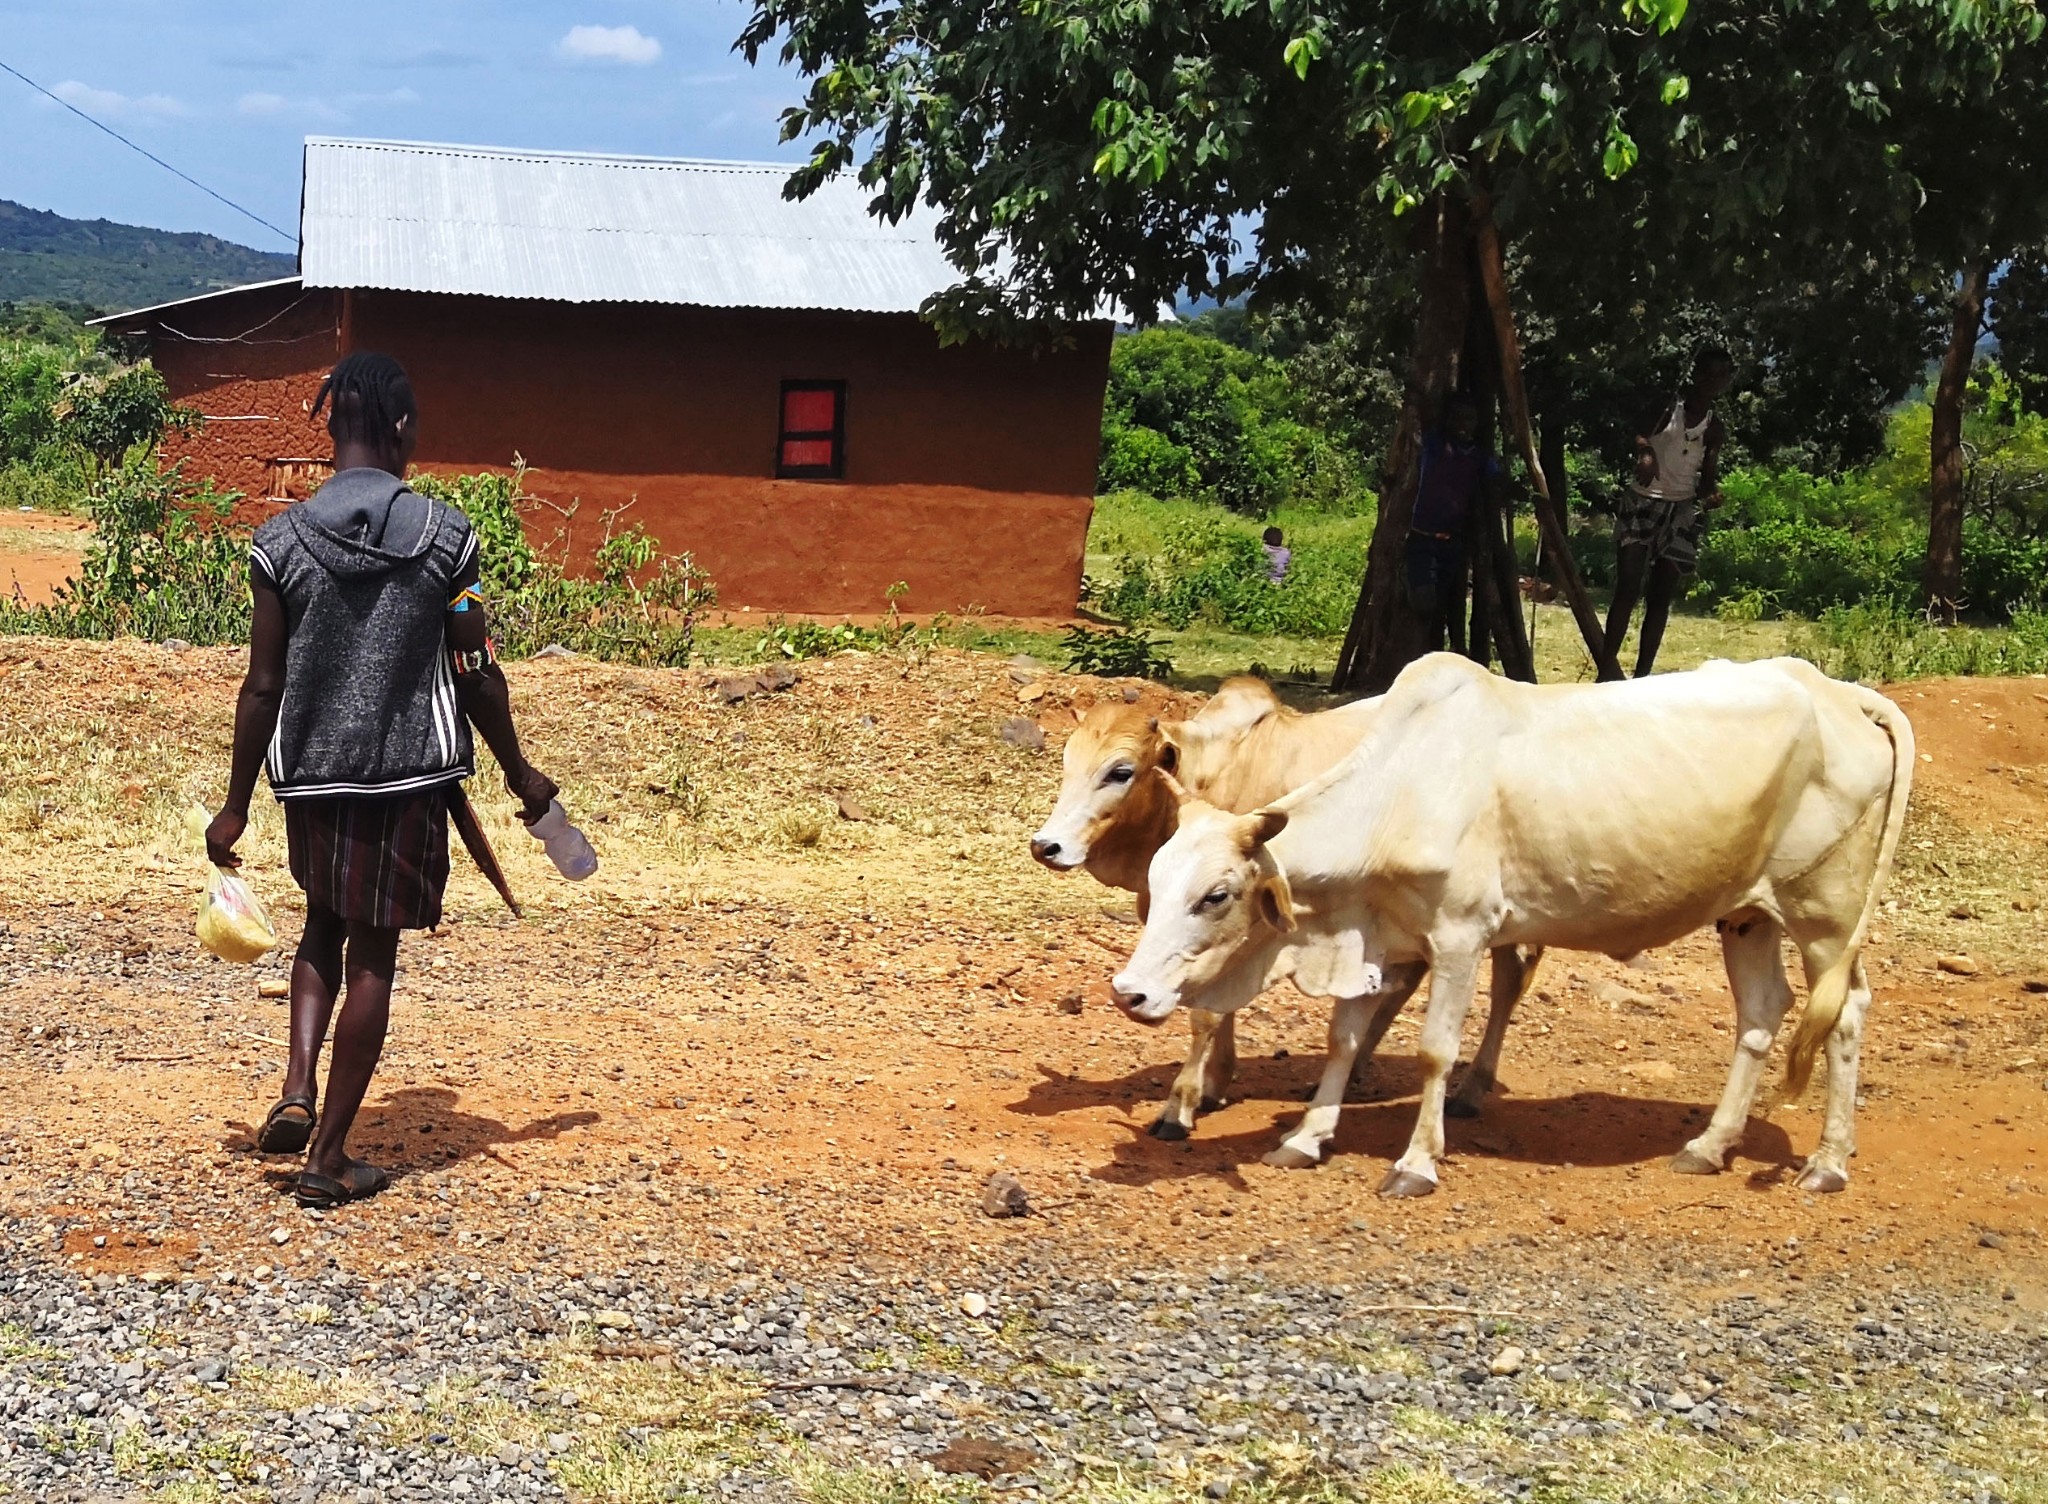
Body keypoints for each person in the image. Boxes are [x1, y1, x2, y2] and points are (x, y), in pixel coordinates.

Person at [206, 353, 557, 1208]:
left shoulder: (279, 543)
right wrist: (521, 774)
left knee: (322, 923)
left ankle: (296, 1084)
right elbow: (475, 670)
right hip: (407, 785)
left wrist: (235, 804)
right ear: (402, 431)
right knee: (375, 956)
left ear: (330, 431)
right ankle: (327, 1159)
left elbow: (263, 685)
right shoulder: (448, 540)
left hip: (313, 781)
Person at [1603, 347, 1734, 678]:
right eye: (1708, 372)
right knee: (1627, 589)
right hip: (1642, 503)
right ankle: (1606, 669)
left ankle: (1642, 675)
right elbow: (1639, 432)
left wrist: (1711, 495)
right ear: (1697, 374)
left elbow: (1706, 478)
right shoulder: (1668, 407)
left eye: (1721, 375)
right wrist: (1646, 452)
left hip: (1681, 511)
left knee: (1660, 598)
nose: (1712, 381)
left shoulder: (1714, 427)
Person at [1404, 393, 1504, 652]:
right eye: (1458, 417)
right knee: (1424, 603)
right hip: (1422, 538)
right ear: (1447, 419)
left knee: (1445, 607)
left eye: (1470, 418)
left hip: (1452, 543)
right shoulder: (1433, 445)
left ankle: (1444, 654)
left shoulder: (1478, 457)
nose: (1464, 424)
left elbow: (1498, 481)